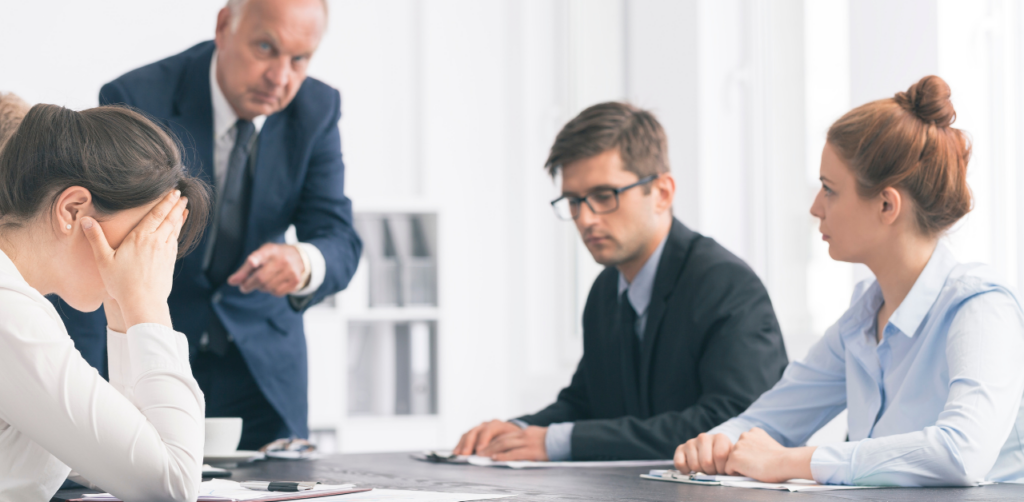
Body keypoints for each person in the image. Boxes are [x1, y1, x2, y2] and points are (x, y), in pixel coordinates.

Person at [674, 75, 1024, 486]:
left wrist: (791, 462)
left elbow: (962, 453)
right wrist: (718, 442)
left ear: (886, 204)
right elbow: (767, 422)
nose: (815, 207)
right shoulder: (861, 318)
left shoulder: (981, 308)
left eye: (829, 190)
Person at [52, 0, 363, 450]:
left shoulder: (316, 109)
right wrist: (79, 378)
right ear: (224, 26)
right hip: (152, 349)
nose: (280, 77)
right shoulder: (139, 97)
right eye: (265, 48)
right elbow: (93, 244)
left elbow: (338, 238)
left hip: (261, 369)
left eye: (299, 59)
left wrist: (303, 260)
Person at [453, 102, 789, 461]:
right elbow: (587, 402)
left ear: (662, 193)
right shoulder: (606, 290)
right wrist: (517, 430)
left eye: (603, 196)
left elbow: (733, 424)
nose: (585, 218)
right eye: (573, 200)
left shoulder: (725, 284)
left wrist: (556, 441)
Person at [0, 104, 211, 500]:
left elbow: (121, 455)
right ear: (72, 210)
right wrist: (147, 305)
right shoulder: (9, 314)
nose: (144, 259)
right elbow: (171, 486)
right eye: (140, 237)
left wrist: (122, 306)